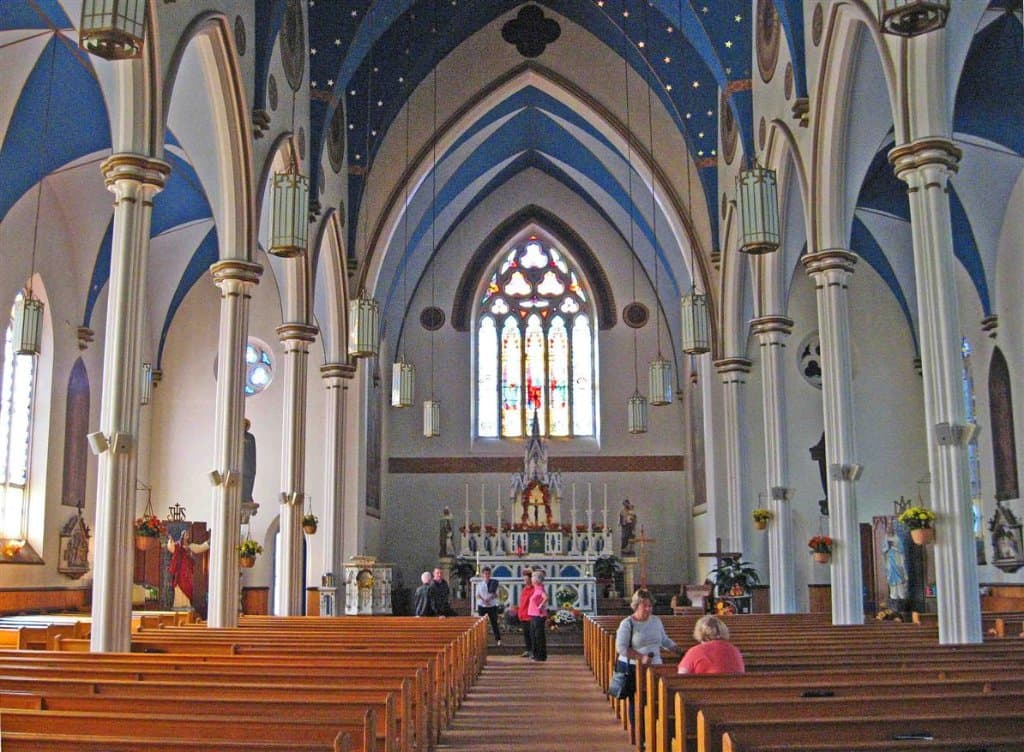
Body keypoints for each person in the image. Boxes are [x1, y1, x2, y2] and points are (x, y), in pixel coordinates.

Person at [616, 588, 683, 741]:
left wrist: (679, 651)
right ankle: (639, 733)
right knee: (637, 700)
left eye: (650, 606)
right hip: (634, 667)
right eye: (644, 605)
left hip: (656, 667)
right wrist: (641, 657)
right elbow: (621, 648)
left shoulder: (656, 621)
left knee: (656, 699)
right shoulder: (627, 623)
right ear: (636, 605)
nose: (648, 609)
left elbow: (664, 640)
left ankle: (656, 733)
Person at [678, 615, 745, 675]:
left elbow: (681, 677)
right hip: (733, 688)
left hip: (704, 688)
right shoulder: (734, 650)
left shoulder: (694, 652)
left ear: (699, 632)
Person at [167, 529, 209, 613]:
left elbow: (199, 548)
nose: (187, 535)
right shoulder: (177, 546)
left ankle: (187, 604)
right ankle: (178, 605)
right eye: (185, 534)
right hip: (179, 571)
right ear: (182, 536)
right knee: (179, 588)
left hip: (187, 572)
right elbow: (171, 548)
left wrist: (208, 543)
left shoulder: (190, 546)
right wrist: (170, 540)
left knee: (188, 587)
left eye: (188, 534)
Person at [475, 566, 502, 645]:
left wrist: (489, 599)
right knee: (481, 624)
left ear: (490, 574)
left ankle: (498, 639)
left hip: (492, 606)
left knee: (494, 623)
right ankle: (481, 640)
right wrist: (484, 600)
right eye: (485, 574)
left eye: (488, 574)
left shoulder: (494, 583)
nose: (487, 575)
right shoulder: (480, 584)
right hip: (482, 606)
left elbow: (496, 594)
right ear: (482, 575)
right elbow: (477, 595)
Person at [527, 570, 548, 661]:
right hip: (533, 614)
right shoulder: (536, 588)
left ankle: (540, 655)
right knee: (533, 635)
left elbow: (546, 597)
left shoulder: (539, 588)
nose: (531, 579)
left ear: (536, 579)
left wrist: (540, 605)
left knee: (538, 635)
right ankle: (535, 654)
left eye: (532, 577)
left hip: (538, 615)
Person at [515, 568, 535, 657]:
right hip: (523, 614)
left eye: (527, 579)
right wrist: (520, 612)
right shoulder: (524, 589)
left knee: (532, 634)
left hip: (530, 615)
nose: (525, 581)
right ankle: (528, 649)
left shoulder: (534, 589)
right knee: (526, 634)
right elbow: (522, 602)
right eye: (524, 579)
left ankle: (533, 651)